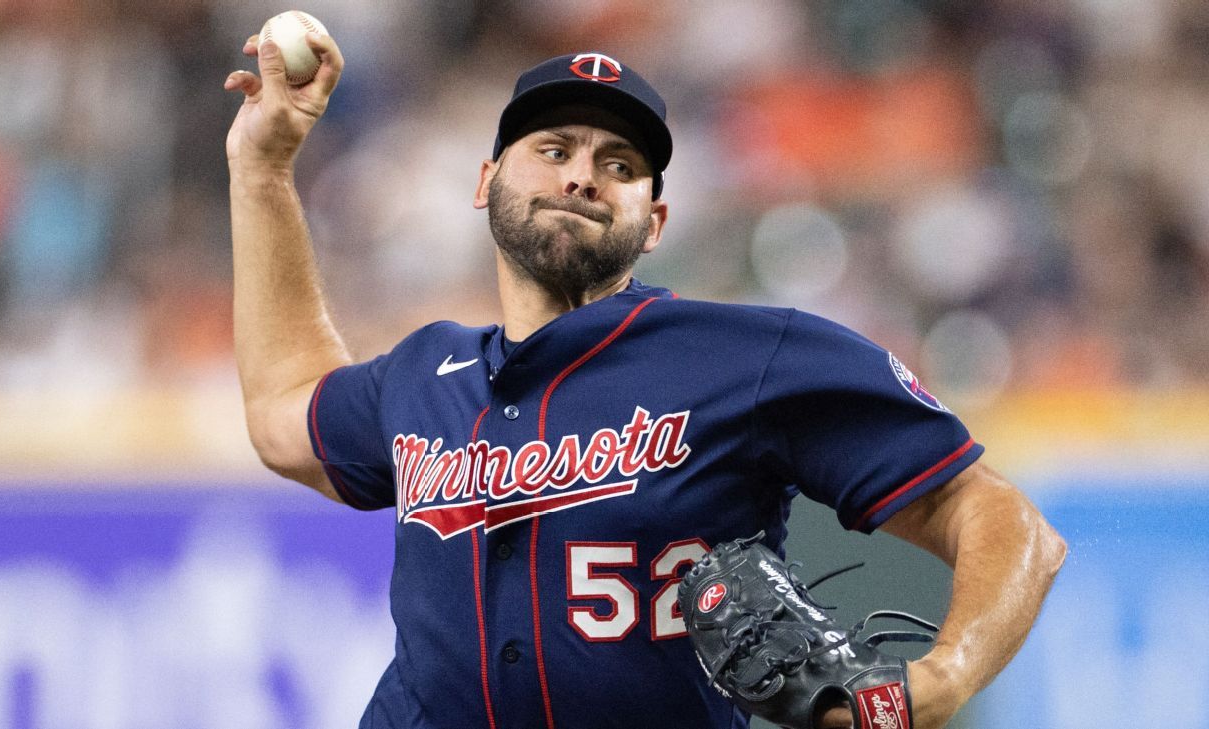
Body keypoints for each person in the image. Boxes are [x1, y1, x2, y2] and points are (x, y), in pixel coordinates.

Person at [224, 34, 1066, 729]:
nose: (583, 174)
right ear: (486, 185)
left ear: (654, 221)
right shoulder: (422, 372)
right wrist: (262, 172)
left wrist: (947, 673)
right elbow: (280, 413)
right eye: (552, 150)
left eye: (621, 164)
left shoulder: (747, 355)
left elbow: (1002, 516)